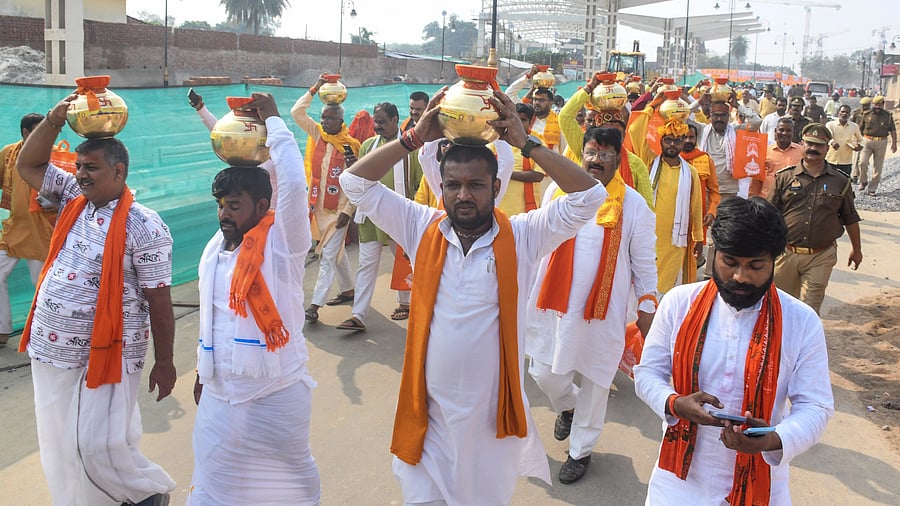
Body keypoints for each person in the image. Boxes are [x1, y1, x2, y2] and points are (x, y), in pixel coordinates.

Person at [341, 89, 606, 504]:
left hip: (489, 422)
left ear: (496, 186)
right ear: (440, 186)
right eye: (454, 185)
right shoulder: (420, 225)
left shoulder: (522, 236)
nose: (464, 195)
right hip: (428, 416)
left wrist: (526, 143)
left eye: (476, 185)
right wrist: (412, 138)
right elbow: (354, 182)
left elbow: (590, 196)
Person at [16, 95, 176, 506]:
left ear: (119, 171)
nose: (81, 174)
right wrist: (53, 120)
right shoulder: (73, 198)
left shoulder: (145, 225)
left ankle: (149, 494)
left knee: (97, 446)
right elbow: (28, 165)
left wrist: (164, 361)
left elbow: (160, 302)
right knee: (59, 444)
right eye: (80, 167)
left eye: (91, 168)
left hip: (106, 355)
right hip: (50, 349)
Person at [634, 197, 834, 505]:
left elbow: (816, 405)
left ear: (774, 262)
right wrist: (674, 403)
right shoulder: (679, 303)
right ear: (714, 253)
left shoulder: (802, 321)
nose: (741, 276)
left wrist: (773, 439)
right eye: (730, 263)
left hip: (762, 481)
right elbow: (648, 372)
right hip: (679, 480)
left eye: (755, 266)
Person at [188, 92, 321, 505]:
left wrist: (276, 122)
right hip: (219, 392)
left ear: (263, 206)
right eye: (220, 206)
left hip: (274, 394)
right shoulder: (217, 246)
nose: (224, 214)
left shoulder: (284, 241)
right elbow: (214, 314)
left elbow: (293, 183)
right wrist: (203, 369)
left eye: (234, 206)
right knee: (211, 485)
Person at [526, 127, 657, 485]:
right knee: (544, 373)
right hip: (553, 305)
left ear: (619, 159)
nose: (596, 159)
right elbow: (537, 240)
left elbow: (645, 264)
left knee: (597, 381)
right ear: (580, 154)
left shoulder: (634, 205)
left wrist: (648, 306)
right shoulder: (558, 191)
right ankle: (567, 405)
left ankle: (580, 451)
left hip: (603, 313)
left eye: (605, 153)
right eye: (590, 152)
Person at [337, 102, 422, 331]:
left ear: (396, 120)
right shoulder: (367, 146)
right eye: (376, 122)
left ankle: (405, 302)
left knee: (404, 262)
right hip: (370, 217)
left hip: (399, 215)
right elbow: (360, 179)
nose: (377, 126)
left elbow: (418, 184)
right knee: (366, 265)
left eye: (382, 122)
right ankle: (358, 314)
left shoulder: (411, 147)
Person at [768, 123, 862, 314]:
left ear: (827, 148)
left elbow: (850, 217)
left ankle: (803, 344)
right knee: (780, 307)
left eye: (819, 145)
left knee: (808, 310)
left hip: (821, 255)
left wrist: (857, 249)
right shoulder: (784, 178)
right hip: (786, 253)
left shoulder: (840, 181)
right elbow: (769, 215)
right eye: (809, 143)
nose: (813, 149)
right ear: (801, 145)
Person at [291, 75, 360, 323]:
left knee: (328, 256)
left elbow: (357, 182)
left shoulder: (352, 146)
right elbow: (297, 113)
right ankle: (348, 290)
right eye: (322, 117)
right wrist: (315, 88)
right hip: (317, 209)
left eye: (330, 118)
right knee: (335, 253)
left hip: (339, 210)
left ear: (341, 121)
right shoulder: (318, 135)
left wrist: (348, 211)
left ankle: (315, 305)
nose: (324, 121)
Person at [559, 73, 654, 208]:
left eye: (616, 134)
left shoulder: (636, 164)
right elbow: (565, 116)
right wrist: (590, 87)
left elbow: (647, 207)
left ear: (624, 134)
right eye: (606, 132)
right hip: (585, 219)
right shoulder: (587, 153)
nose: (611, 138)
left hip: (621, 225)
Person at [0, 113, 53, 347]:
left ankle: (47, 333)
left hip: (44, 233)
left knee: (43, 285)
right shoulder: (9, 153)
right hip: (15, 229)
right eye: (40, 131)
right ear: (25, 133)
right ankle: (2, 331)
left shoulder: (56, 155)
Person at [648, 120, 704, 293]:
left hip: (675, 240)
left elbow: (696, 206)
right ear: (661, 141)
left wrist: (699, 238)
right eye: (668, 140)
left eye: (677, 141)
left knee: (667, 287)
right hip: (649, 235)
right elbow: (635, 130)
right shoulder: (649, 165)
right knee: (646, 280)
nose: (672, 145)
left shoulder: (690, 172)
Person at [680, 123, 720, 260]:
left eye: (691, 137)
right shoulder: (670, 159)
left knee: (693, 260)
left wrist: (712, 212)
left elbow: (715, 190)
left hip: (698, 218)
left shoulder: (704, 159)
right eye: (684, 137)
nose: (688, 141)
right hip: (676, 216)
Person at [751, 117, 802, 198]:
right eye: (781, 130)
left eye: (788, 130)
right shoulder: (765, 152)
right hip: (767, 199)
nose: (784, 133)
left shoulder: (801, 152)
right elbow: (756, 180)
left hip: (792, 200)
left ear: (793, 133)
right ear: (775, 131)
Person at [857, 95, 898, 196]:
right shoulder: (866, 114)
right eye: (876, 105)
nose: (877, 107)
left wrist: (894, 143)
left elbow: (893, 129)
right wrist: (857, 141)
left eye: (879, 105)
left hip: (881, 142)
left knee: (878, 167)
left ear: (883, 105)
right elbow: (859, 129)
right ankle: (863, 181)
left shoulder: (887, 115)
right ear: (873, 104)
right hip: (867, 141)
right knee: (862, 162)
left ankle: (872, 189)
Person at [825, 104, 863, 178]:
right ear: (838, 113)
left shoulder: (854, 126)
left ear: (849, 114)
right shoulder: (830, 125)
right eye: (842, 112)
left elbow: (860, 140)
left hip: (846, 162)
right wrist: (832, 142)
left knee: (844, 184)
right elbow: (827, 137)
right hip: (831, 160)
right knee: (828, 182)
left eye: (847, 112)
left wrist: (858, 146)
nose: (844, 114)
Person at [850, 96, 873, 184]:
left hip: (868, 138)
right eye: (863, 105)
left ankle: (863, 175)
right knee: (856, 157)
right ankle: (855, 175)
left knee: (864, 160)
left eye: (866, 106)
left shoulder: (873, 115)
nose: (864, 107)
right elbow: (852, 123)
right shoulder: (857, 113)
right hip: (857, 138)